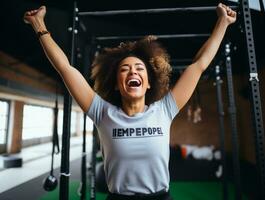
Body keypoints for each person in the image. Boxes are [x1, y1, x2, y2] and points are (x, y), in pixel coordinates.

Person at [24, 3, 236, 200]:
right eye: (124, 70)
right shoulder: (102, 112)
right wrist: (39, 25)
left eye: (139, 69)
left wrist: (222, 23)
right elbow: (65, 68)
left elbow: (199, 65)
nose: (132, 71)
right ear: (117, 84)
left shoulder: (164, 109)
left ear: (148, 84)